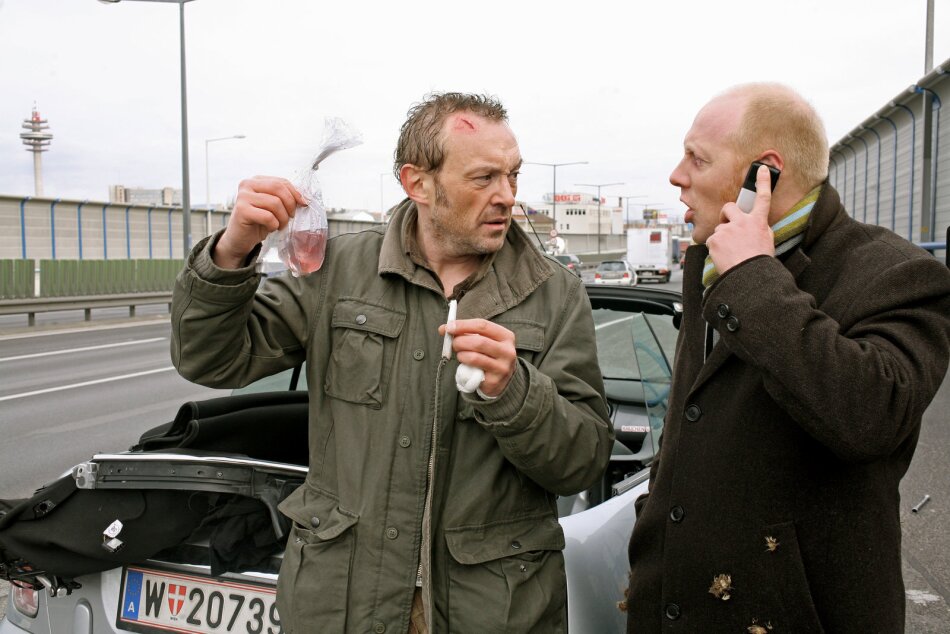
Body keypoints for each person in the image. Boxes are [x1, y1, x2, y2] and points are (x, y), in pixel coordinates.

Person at [170, 92, 613, 633]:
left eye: (513, 175)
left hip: (491, 613)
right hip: (345, 606)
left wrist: (513, 392)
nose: (507, 197)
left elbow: (583, 462)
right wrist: (231, 252)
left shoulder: (554, 294)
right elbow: (210, 359)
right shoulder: (339, 272)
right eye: (484, 178)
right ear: (416, 183)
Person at [625, 83, 950, 633]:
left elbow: (871, 416)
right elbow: (692, 420)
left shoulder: (898, 273)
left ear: (765, 173)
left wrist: (754, 277)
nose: (676, 176)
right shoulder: (710, 261)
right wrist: (652, 538)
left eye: (697, 158)